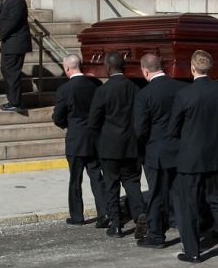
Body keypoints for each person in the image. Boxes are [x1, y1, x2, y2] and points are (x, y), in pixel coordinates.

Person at [170, 50, 218, 266]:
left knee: (189, 204)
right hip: (217, 155)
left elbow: (173, 128)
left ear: (192, 68)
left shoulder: (184, 94)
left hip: (191, 158)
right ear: (210, 69)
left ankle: (193, 251)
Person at [89, 51, 147, 238]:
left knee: (111, 184)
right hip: (131, 144)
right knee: (131, 182)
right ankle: (140, 215)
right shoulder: (134, 88)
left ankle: (116, 224)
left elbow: (93, 121)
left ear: (107, 67)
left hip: (109, 146)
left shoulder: (103, 91)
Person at [133, 53, 188, 248]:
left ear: (145, 71)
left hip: (155, 151)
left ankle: (156, 235)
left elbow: (140, 129)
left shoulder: (144, 95)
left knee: (156, 194)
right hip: (179, 149)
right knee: (180, 195)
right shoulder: (180, 87)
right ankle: (187, 235)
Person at [51, 54, 109, 228]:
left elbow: (57, 117)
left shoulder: (65, 90)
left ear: (67, 68)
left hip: (76, 139)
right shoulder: (96, 85)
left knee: (75, 179)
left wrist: (66, 124)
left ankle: (77, 216)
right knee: (96, 176)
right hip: (93, 138)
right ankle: (104, 212)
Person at [0, 0, 32, 111]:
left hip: (15, 43)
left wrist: (1, 34)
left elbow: (12, 21)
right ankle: (13, 100)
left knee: (12, 72)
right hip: (10, 42)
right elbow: (3, 18)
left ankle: (15, 102)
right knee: (7, 70)